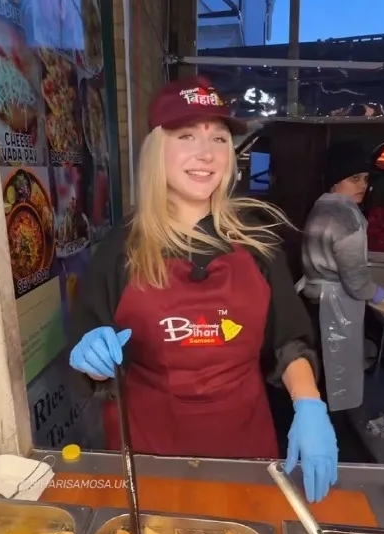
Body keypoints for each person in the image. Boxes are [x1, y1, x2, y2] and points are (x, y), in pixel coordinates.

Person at [68, 77, 338, 503]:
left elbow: (289, 341)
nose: (206, 153)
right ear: (157, 150)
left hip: (244, 450)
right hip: (147, 454)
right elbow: (91, 361)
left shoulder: (259, 245)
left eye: (219, 138)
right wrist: (93, 362)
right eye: (187, 136)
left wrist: (309, 405)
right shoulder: (119, 252)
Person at [300, 140, 384, 412]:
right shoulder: (347, 217)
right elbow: (356, 281)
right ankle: (335, 428)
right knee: (335, 370)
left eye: (366, 179)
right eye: (354, 178)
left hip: (313, 296)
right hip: (335, 303)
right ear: (336, 181)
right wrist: (381, 295)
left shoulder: (321, 206)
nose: (363, 185)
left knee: (318, 369)